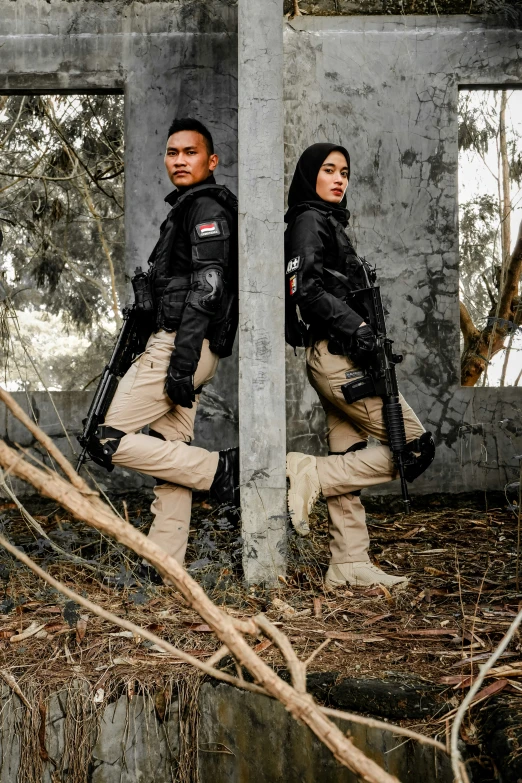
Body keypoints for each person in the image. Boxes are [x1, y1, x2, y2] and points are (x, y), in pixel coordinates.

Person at [85, 118, 238, 582]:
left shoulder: (206, 207)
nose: (179, 160)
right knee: (173, 454)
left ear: (210, 161)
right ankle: (165, 563)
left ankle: (221, 470)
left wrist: (181, 362)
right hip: (179, 345)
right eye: (172, 153)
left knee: (104, 436)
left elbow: (206, 290)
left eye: (189, 153)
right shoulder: (184, 210)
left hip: (181, 347)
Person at [284, 143, 434, 589]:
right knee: (414, 448)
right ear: (310, 176)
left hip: (343, 353)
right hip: (340, 356)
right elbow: (305, 290)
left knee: (349, 456)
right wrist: (361, 332)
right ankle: (308, 474)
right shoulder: (308, 221)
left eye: (344, 172)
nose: (338, 179)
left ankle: (348, 562)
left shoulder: (327, 223)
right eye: (328, 170)